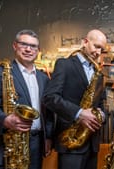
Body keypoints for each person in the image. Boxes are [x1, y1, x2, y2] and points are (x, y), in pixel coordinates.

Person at [0, 29, 54, 169]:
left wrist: (48, 137)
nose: (28, 49)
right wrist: (5, 120)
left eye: (33, 46)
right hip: (6, 145)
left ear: (38, 50)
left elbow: (48, 112)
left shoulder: (44, 78)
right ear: (15, 46)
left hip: (36, 145)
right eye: (23, 44)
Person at [42, 29, 107, 169]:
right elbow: (50, 97)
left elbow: (101, 105)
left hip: (92, 143)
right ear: (85, 42)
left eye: (102, 49)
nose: (98, 53)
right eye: (96, 46)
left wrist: (101, 115)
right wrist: (79, 113)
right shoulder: (64, 64)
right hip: (70, 142)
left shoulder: (99, 74)